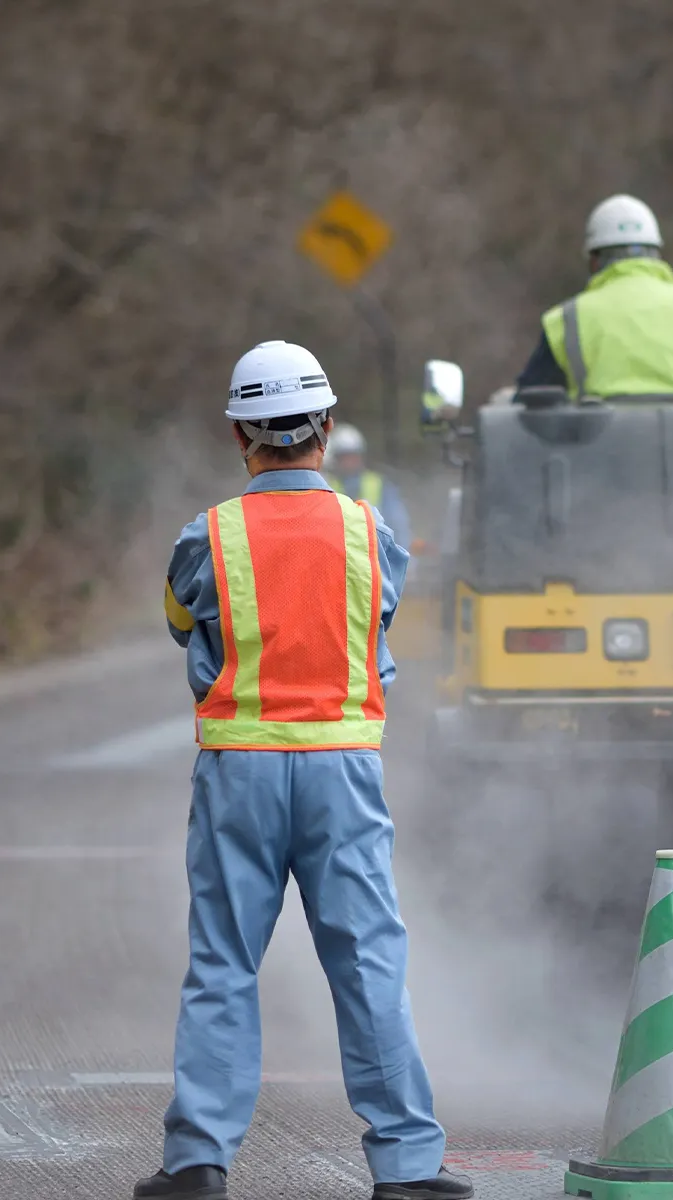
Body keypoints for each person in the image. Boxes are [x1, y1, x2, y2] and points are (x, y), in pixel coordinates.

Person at [143, 341, 471, 1200]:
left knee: (222, 964)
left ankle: (199, 1164)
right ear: (324, 428)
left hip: (240, 772)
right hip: (341, 771)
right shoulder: (372, 532)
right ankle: (407, 1166)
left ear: (241, 436)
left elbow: (181, 619)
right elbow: (383, 612)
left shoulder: (207, 534)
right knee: (368, 961)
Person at [515, 194, 673, 403]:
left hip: (600, 459)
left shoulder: (568, 320)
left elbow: (528, 408)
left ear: (593, 261)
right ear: (657, 255)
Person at [326, 422, 413, 551]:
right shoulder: (327, 486)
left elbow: (398, 525)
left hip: (376, 558)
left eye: (353, 455)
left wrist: (406, 562)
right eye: (344, 457)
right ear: (335, 459)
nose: (349, 461)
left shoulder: (378, 484)